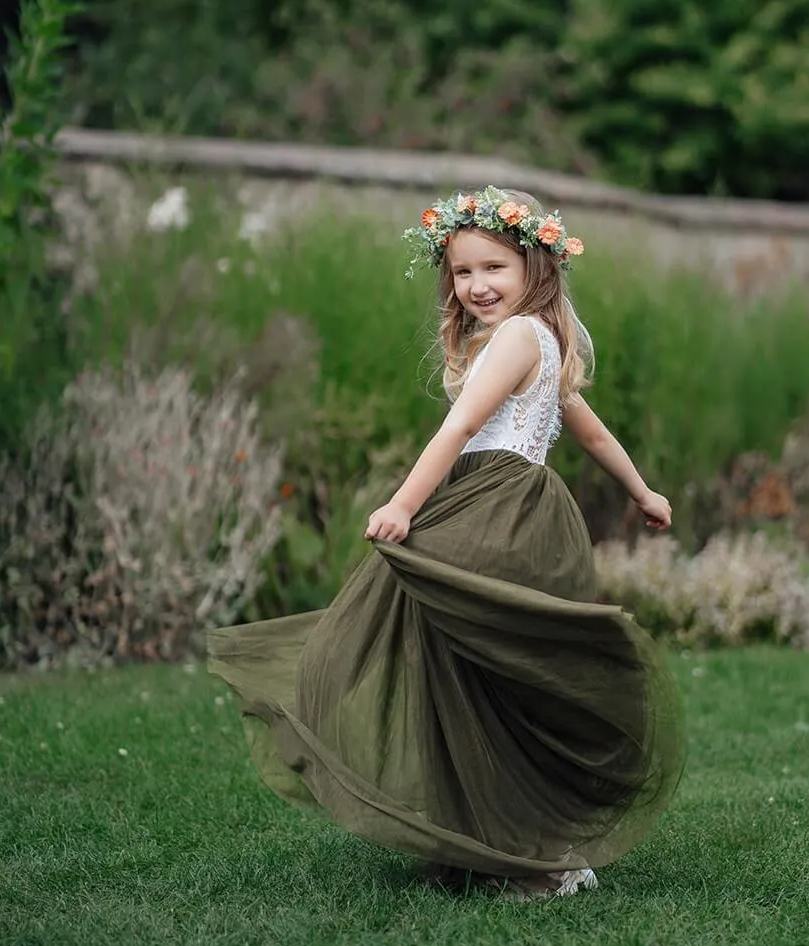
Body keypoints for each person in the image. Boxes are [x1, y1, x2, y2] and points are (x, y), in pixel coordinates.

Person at [208, 185, 684, 900]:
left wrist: (403, 504)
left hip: (493, 506)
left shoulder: (520, 337)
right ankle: (511, 839)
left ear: (535, 266)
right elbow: (584, 426)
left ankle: (527, 852)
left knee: (418, 639)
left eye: (493, 267)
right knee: (477, 672)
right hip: (523, 509)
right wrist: (640, 489)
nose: (476, 286)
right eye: (462, 272)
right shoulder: (541, 340)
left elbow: (459, 430)